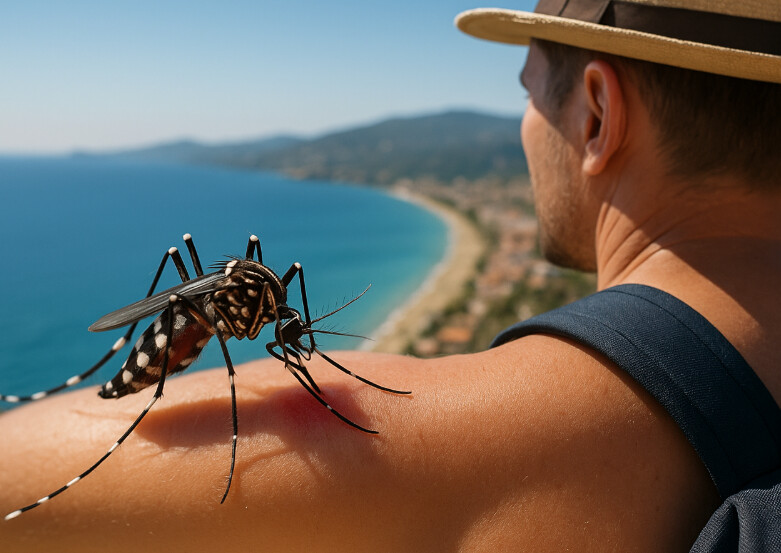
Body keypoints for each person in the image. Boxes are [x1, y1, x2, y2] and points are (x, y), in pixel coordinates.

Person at [1, 1, 780, 551]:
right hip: (172, 330)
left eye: (525, 92)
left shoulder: (462, 452)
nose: (520, 124)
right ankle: (111, 363)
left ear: (596, 114)